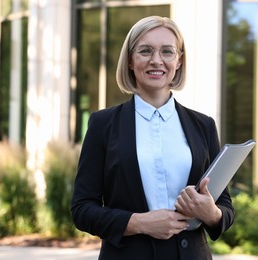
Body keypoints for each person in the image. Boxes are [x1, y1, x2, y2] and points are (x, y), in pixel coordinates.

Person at [71, 15, 235, 260]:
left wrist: (211, 213)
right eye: (145, 50)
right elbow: (82, 209)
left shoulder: (203, 125)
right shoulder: (103, 125)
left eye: (167, 52)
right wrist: (139, 223)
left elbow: (225, 207)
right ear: (130, 60)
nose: (156, 60)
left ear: (179, 61)